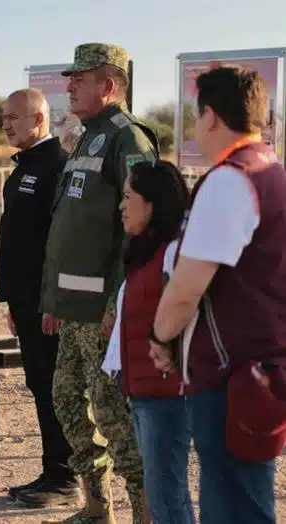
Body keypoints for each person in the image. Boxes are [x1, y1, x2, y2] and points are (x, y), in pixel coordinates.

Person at [150, 66, 286, 524]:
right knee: (245, 498)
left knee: (233, 506)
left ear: (210, 116)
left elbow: (187, 286)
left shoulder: (231, 179)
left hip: (232, 374)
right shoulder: (271, 170)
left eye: (196, 117)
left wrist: (161, 337)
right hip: (258, 368)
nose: (194, 129)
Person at [41, 43, 158, 524]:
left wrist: (118, 302)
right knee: (67, 399)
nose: (70, 86)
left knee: (113, 413)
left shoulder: (128, 139)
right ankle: (96, 506)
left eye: (80, 79)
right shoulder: (89, 137)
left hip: (104, 311)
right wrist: (55, 299)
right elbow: (72, 225)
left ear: (108, 85)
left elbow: (141, 229)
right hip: (76, 307)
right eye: (70, 78)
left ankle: (146, 511)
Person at [0, 89, 77, 506]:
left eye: (14, 117)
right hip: (27, 301)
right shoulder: (24, 166)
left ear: (39, 118)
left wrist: (54, 301)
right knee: (39, 385)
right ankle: (51, 470)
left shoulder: (56, 166)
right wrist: (12, 299)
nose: (6, 124)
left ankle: (65, 477)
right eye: (5, 117)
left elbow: (60, 243)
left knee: (54, 387)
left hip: (48, 305)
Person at [102, 160, 194, 523]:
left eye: (128, 197)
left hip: (167, 394)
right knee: (168, 495)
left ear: (153, 203)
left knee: (164, 497)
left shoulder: (174, 252)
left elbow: (189, 312)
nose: (121, 206)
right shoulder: (146, 251)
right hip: (144, 390)